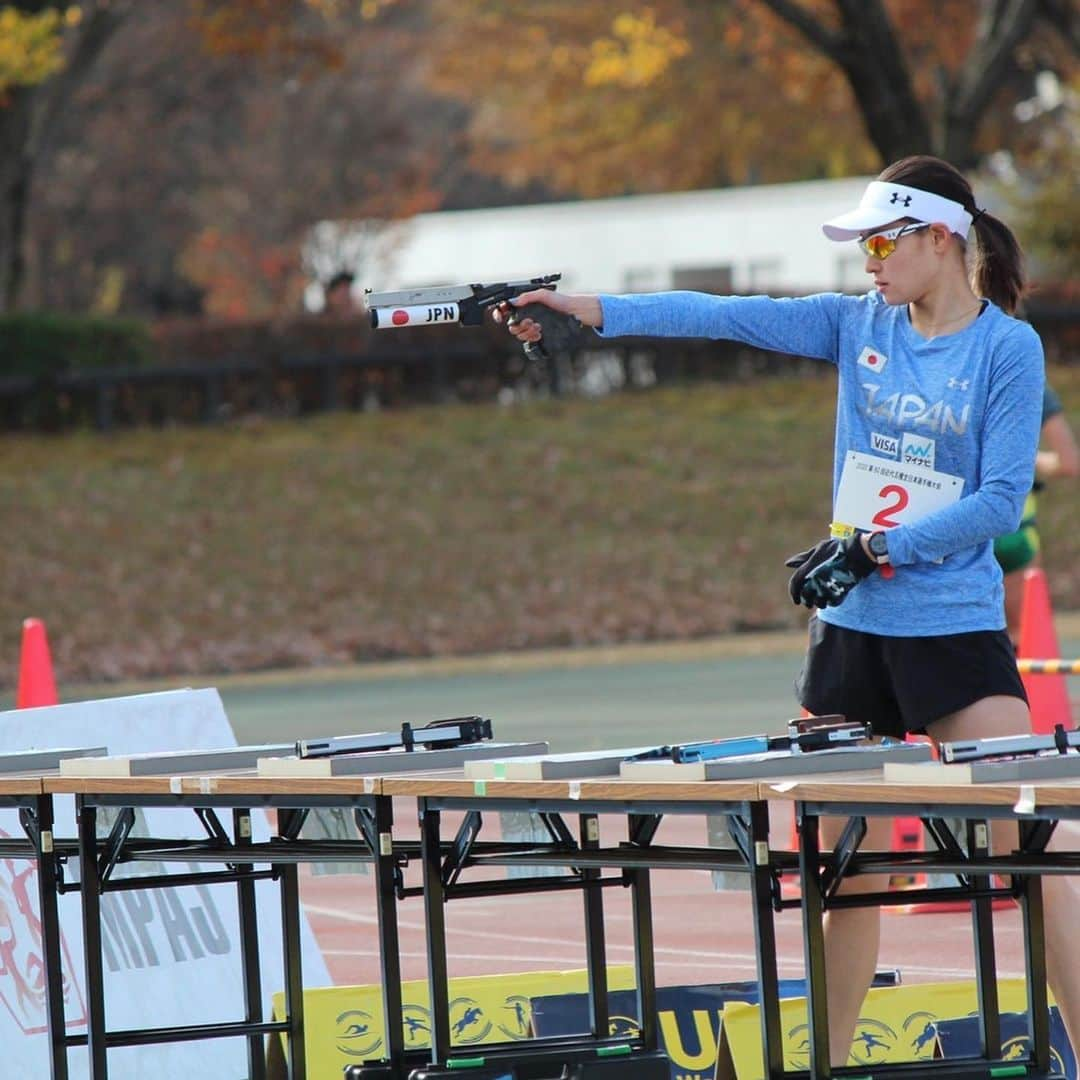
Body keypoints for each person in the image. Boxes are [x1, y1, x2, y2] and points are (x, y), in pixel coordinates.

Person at [494, 155, 1080, 1066]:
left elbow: (1001, 503)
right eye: (862, 246)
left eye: (884, 242)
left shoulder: (1007, 347)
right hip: (850, 639)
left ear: (942, 239)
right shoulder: (858, 324)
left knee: (1033, 855)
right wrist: (591, 310)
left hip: (953, 635)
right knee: (840, 876)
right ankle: (828, 1063)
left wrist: (879, 547)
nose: (869, 262)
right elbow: (725, 314)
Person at [994, 383, 1079, 643]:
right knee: (1021, 639)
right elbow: (1068, 463)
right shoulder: (1034, 384)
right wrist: (1026, 458)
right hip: (1016, 530)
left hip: (958, 530)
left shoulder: (961, 373)